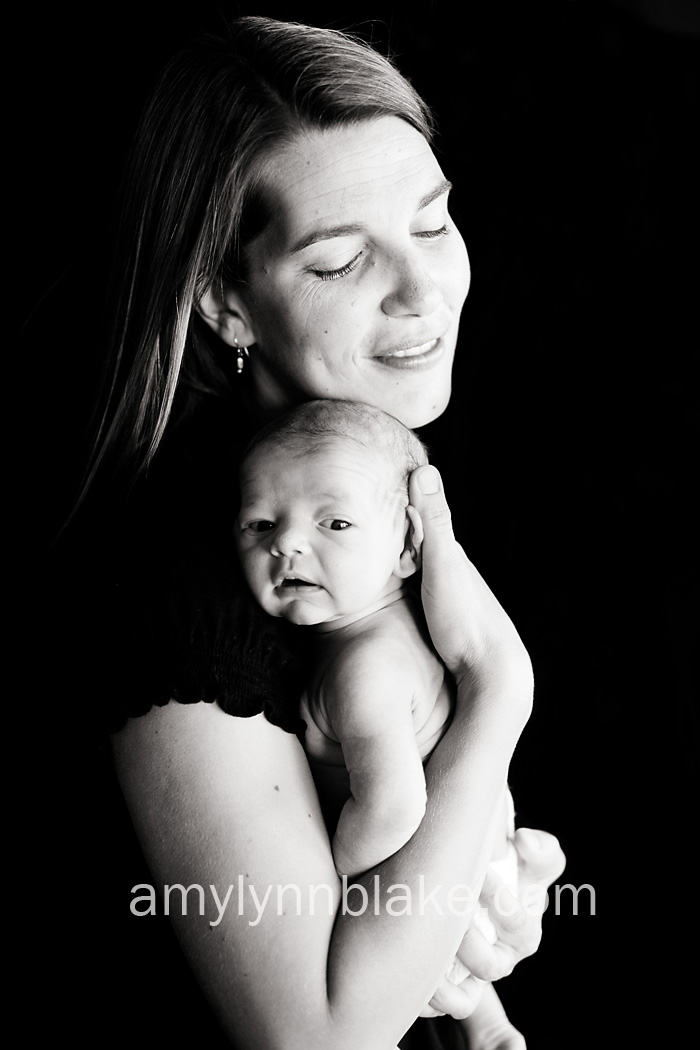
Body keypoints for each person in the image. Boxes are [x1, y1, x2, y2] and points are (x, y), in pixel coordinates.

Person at [55, 15, 565, 1049]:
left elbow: (416, 870)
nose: (424, 291)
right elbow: (322, 1035)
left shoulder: (362, 478)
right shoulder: (188, 588)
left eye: (430, 225)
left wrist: (481, 910)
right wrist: (500, 699)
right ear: (226, 303)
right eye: (339, 263)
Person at [235, 397, 523, 1048]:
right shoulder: (388, 631)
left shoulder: (362, 669)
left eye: (334, 522)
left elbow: (393, 807)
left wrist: (330, 875)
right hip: (474, 844)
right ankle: (491, 1025)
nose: (286, 542)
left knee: (408, 964)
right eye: (257, 524)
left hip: (423, 857)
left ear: (407, 549)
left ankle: (484, 1022)